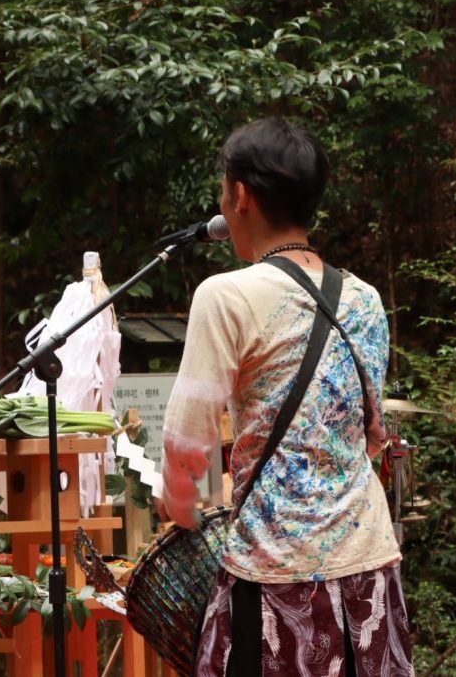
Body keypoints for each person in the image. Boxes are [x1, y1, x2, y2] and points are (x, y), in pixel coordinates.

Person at [161, 117, 413, 676]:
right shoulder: (366, 299)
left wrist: (178, 507)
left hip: (274, 574)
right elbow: (372, 435)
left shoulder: (224, 296)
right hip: (368, 563)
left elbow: (186, 442)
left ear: (241, 196)